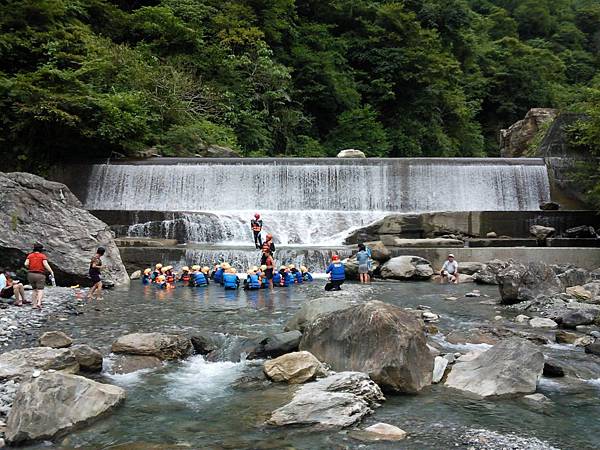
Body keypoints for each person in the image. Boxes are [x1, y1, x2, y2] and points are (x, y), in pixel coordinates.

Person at [24, 243, 54, 309]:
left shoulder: (30, 255)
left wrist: (30, 267)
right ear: (41, 249)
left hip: (31, 274)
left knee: (34, 290)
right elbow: (46, 265)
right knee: (40, 289)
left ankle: (34, 305)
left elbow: (26, 263)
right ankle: (39, 303)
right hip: (40, 274)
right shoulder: (42, 256)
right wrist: (51, 271)